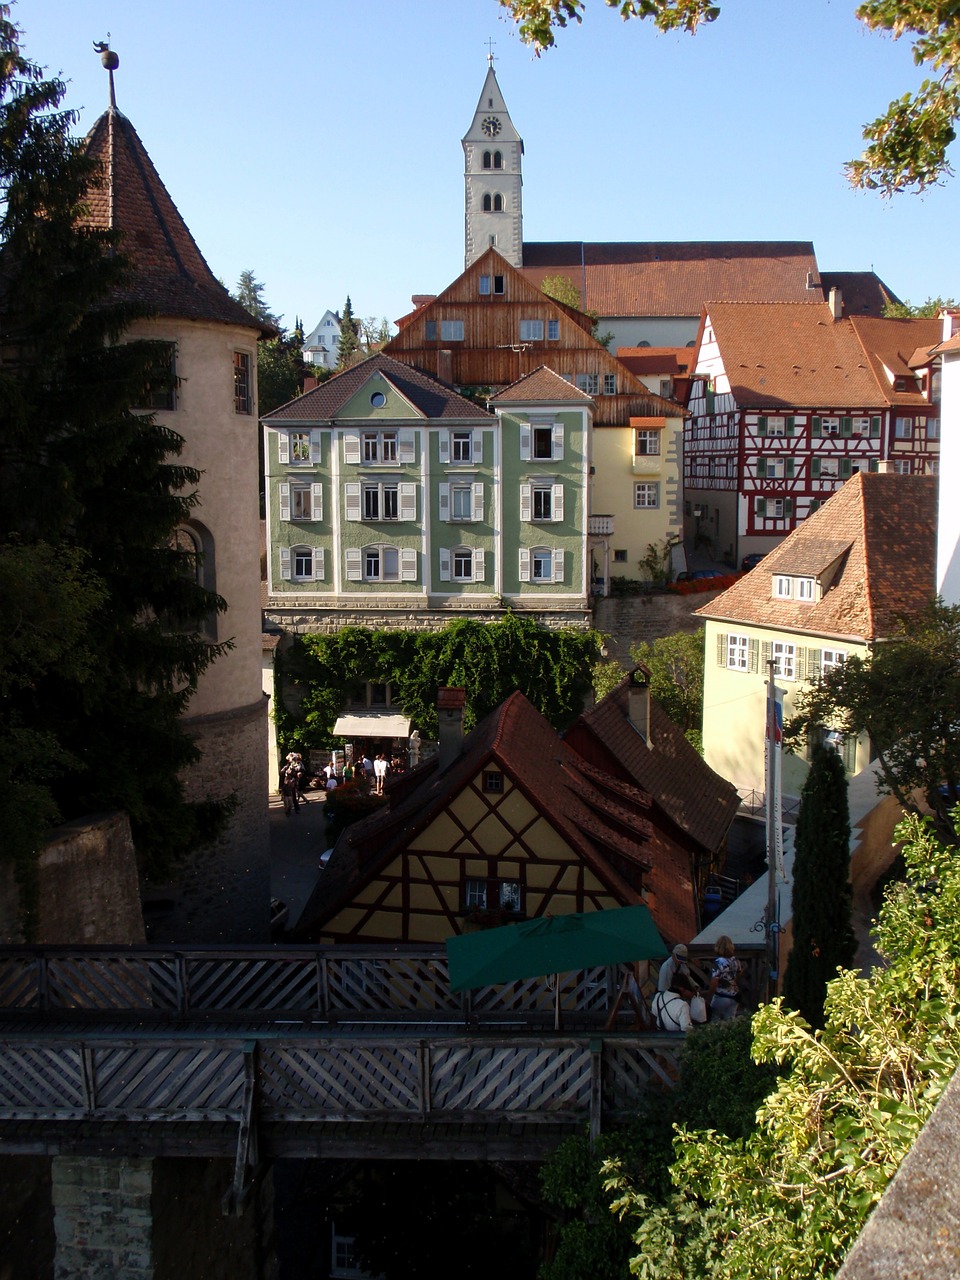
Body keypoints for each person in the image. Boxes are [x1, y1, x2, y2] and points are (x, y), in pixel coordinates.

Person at [708, 934, 742, 1020]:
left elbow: (714, 982)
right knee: (730, 1022)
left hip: (721, 996)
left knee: (715, 1020)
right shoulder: (736, 961)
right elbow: (738, 976)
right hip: (734, 995)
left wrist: (708, 997)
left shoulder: (719, 962)